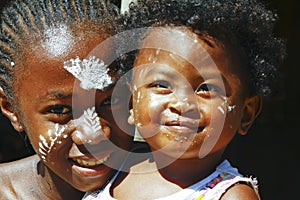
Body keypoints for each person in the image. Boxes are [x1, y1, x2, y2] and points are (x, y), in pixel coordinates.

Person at [83, 0, 286, 199]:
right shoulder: (108, 170)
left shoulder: (231, 196)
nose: (182, 104)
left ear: (246, 114)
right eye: (162, 86)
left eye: (206, 88)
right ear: (131, 103)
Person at [0, 0, 134, 199]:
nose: (92, 135)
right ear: (11, 109)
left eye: (109, 101)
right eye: (60, 110)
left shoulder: (182, 183)